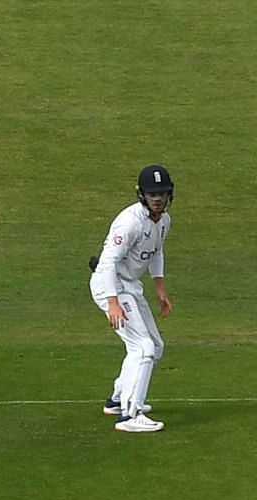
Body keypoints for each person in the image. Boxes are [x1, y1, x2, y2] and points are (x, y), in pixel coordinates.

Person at [89, 164, 174, 433]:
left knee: (155, 346)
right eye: (152, 194)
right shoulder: (130, 222)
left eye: (161, 193)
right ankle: (129, 414)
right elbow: (106, 264)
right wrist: (113, 302)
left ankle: (117, 399)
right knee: (142, 348)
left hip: (130, 286)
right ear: (142, 195)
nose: (157, 199)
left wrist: (160, 289)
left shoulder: (164, 222)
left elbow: (156, 252)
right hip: (110, 285)